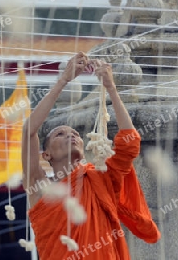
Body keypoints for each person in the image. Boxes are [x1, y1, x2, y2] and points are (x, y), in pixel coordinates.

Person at [21, 52, 160, 259]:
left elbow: (130, 144)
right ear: (46, 154)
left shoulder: (102, 178)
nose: (71, 136)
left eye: (75, 134)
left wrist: (111, 88)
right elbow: (28, 131)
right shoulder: (39, 187)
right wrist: (64, 80)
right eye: (60, 134)